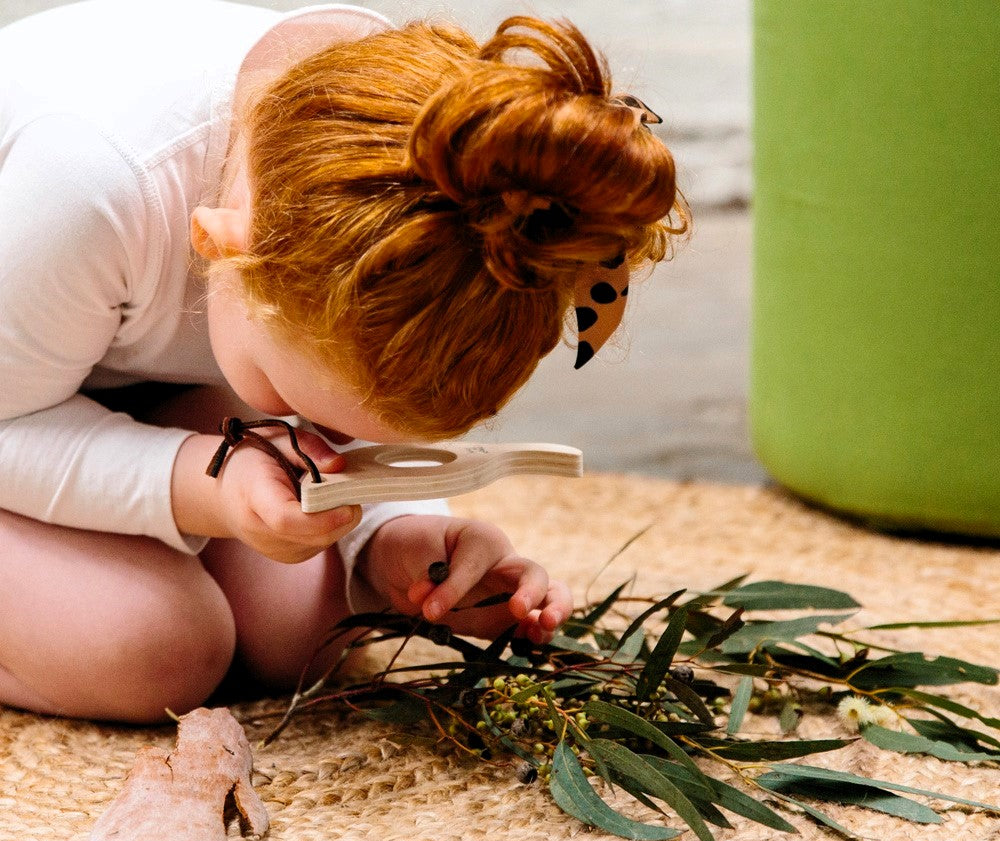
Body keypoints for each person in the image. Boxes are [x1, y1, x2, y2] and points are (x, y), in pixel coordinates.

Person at [0, 1, 688, 724]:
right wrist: (204, 486)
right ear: (224, 241)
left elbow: (351, 395)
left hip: (91, 376)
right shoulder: (97, 183)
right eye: (298, 407)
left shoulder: (426, 182)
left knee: (306, 634)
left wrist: (393, 536)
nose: (324, 437)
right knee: (155, 649)